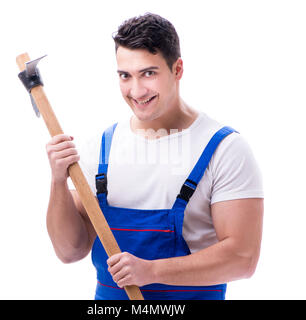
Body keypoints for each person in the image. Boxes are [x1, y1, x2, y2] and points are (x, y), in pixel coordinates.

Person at [45, 12, 264, 300]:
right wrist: (58, 180)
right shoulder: (100, 148)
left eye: (148, 73)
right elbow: (69, 251)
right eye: (125, 76)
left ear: (177, 69)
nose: (136, 91)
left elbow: (242, 259)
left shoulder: (224, 149)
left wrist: (151, 272)